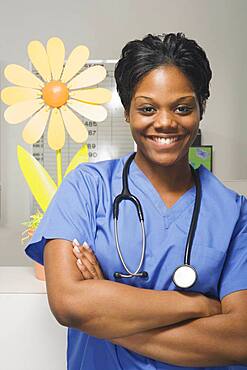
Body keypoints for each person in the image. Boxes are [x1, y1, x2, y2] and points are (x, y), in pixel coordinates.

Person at [25, 33, 247, 369]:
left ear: (201, 109)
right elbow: (70, 304)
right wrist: (199, 305)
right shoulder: (87, 188)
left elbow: (240, 338)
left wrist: (105, 314)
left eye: (182, 107)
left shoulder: (234, 213)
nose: (165, 122)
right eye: (147, 108)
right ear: (128, 112)